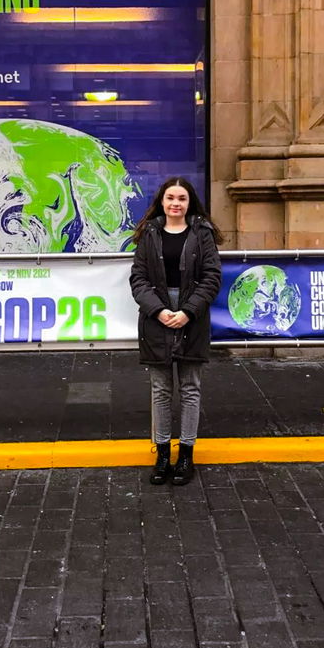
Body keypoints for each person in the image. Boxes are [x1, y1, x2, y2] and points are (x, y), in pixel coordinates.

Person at [129, 177, 223, 485]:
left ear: (189, 202)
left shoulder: (202, 234)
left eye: (181, 198)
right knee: (160, 389)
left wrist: (188, 312)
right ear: (162, 200)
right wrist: (158, 310)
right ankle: (162, 453)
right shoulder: (149, 234)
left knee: (190, 387)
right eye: (171, 197)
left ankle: (186, 453)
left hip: (191, 316)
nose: (175, 203)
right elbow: (138, 279)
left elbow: (212, 277)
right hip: (156, 315)